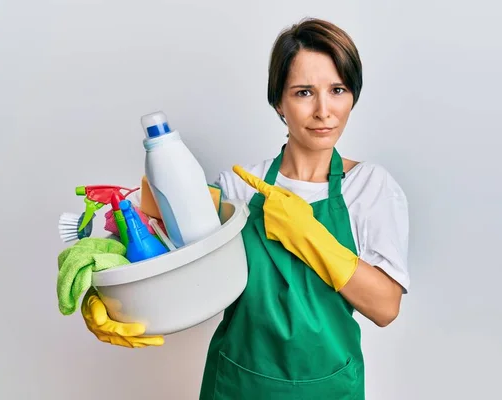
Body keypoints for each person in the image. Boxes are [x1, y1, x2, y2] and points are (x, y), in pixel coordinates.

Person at [80, 17, 410, 400]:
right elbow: (147, 238)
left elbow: (385, 307)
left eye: (337, 90)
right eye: (304, 92)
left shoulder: (370, 187)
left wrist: (309, 236)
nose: (324, 110)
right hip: (237, 385)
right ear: (278, 102)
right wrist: (103, 294)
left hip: (329, 388)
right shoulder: (239, 186)